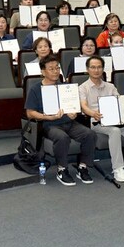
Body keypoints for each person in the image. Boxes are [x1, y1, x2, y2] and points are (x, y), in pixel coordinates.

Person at [25, 56, 98, 186]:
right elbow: (30, 113)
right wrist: (49, 117)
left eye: (57, 68)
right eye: (51, 69)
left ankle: (82, 166)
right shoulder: (35, 89)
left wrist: (74, 112)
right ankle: (62, 169)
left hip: (69, 123)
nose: (55, 71)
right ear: (43, 71)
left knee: (89, 134)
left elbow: (75, 106)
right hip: (49, 124)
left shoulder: (65, 87)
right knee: (62, 137)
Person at [79, 55, 124, 182]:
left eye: (99, 67)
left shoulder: (110, 86)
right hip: (97, 121)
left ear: (103, 69)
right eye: (93, 67)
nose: (96, 70)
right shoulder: (83, 88)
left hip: (115, 120)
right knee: (114, 131)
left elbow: (120, 102)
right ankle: (118, 168)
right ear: (87, 69)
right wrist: (93, 113)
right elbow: (84, 106)